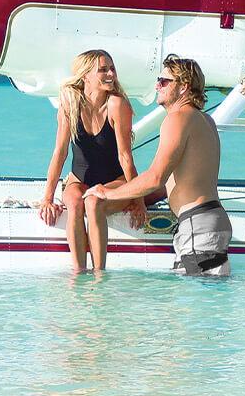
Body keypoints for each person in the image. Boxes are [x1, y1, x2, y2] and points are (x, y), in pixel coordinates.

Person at [87, 55, 231, 276]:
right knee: (201, 305)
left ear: (183, 87)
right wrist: (139, 199)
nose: (157, 86)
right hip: (208, 220)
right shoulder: (204, 119)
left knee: (194, 306)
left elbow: (155, 178)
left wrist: (105, 194)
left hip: (198, 225)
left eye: (164, 81)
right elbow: (184, 179)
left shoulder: (178, 118)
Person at [38, 50, 145, 272]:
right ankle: (78, 273)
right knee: (77, 203)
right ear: (85, 75)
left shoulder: (117, 104)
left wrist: (138, 200)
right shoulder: (69, 104)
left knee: (93, 201)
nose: (111, 74)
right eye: (103, 69)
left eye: (112, 68)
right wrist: (47, 198)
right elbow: (60, 152)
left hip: (115, 181)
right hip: (78, 180)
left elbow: (125, 157)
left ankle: (99, 275)